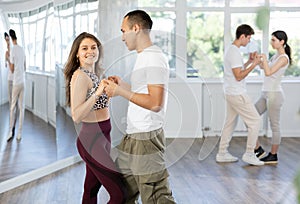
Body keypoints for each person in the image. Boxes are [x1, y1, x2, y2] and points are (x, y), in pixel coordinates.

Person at [104, 10, 176, 204]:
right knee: (122, 192)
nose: (122, 37)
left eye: (123, 30)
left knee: (156, 197)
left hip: (146, 138)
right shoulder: (144, 56)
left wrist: (120, 92)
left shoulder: (153, 57)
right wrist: (122, 86)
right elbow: (143, 92)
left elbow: (155, 103)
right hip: (133, 136)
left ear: (136, 28)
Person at [64, 32, 127, 204]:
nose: (90, 51)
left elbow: (98, 104)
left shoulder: (94, 74)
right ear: (77, 53)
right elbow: (77, 115)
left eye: (93, 47)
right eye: (84, 48)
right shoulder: (80, 76)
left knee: (91, 190)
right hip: (91, 139)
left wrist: (109, 88)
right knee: (120, 193)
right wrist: (98, 92)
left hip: (103, 135)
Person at [215, 24, 264, 165]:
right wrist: (254, 64)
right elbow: (238, 76)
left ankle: (222, 153)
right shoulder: (234, 53)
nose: (249, 41)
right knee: (255, 121)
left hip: (230, 92)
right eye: (248, 38)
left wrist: (249, 61)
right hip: (237, 93)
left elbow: (236, 70)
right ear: (242, 36)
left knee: (230, 123)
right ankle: (250, 153)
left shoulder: (231, 50)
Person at [254, 30, 291, 164]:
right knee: (250, 116)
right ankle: (258, 149)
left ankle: (273, 155)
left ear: (282, 42)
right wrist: (258, 60)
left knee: (274, 125)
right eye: (271, 40)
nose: (271, 42)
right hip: (266, 93)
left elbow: (269, 73)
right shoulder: (275, 56)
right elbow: (266, 69)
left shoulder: (283, 58)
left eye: (274, 40)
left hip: (274, 95)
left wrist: (264, 58)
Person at [6, 29, 26, 141]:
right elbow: (25, 66)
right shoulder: (22, 49)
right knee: (21, 108)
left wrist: (8, 61)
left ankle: (10, 132)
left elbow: (12, 69)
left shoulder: (13, 50)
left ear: (10, 37)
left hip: (16, 83)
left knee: (12, 107)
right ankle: (19, 134)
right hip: (23, 82)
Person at [4, 32, 18, 139]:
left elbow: (12, 68)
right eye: (6, 40)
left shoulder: (14, 52)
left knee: (13, 103)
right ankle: (12, 125)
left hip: (14, 80)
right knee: (12, 103)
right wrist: (7, 59)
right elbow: (6, 66)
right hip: (12, 80)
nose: (7, 42)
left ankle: (13, 126)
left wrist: (8, 60)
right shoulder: (9, 52)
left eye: (8, 39)